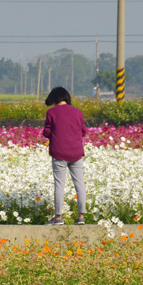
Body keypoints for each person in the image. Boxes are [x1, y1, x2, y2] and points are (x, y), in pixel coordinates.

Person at [42, 87, 87, 225]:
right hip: (76, 153)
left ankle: (58, 217)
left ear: (54, 99)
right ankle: (81, 216)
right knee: (79, 183)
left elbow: (46, 132)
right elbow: (83, 131)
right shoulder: (77, 112)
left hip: (59, 153)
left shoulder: (52, 112)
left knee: (59, 184)